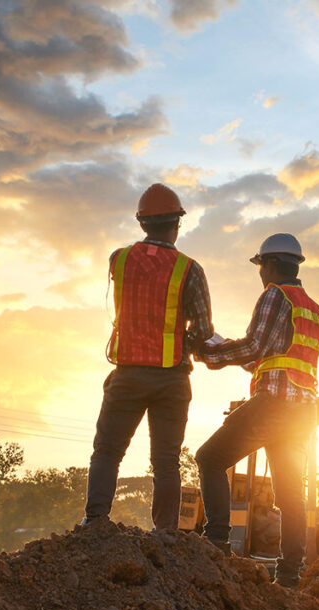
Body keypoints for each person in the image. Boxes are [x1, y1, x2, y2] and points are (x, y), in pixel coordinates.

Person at [82, 183, 214, 531]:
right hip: (171, 377)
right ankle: (166, 535)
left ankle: (95, 522)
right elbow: (202, 331)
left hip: (127, 374)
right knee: (167, 462)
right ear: (177, 224)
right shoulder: (190, 270)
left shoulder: (119, 259)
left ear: (142, 223)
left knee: (108, 451)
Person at [194, 233, 319, 588]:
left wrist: (209, 353)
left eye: (261, 265)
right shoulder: (311, 307)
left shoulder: (274, 295)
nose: (260, 274)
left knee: (209, 458)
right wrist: (229, 351)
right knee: (290, 493)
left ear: (271, 264)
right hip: (302, 412)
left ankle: (216, 540)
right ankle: (290, 574)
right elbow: (271, 359)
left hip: (273, 406)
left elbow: (253, 347)